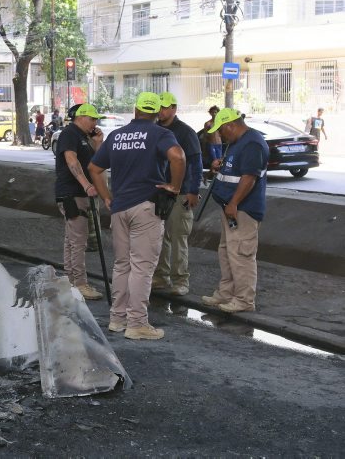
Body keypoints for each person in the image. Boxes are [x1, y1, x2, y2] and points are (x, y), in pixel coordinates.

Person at [88, 92, 185, 340]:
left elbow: (94, 168)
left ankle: (117, 319)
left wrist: (106, 196)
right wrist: (175, 187)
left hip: (119, 207)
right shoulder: (160, 134)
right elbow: (178, 156)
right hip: (146, 207)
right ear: (156, 113)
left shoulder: (117, 135)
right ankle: (137, 323)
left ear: (136, 110)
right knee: (142, 267)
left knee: (122, 265)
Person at [201, 108, 269, 313]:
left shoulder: (252, 143)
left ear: (231, 125)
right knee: (227, 251)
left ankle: (244, 300)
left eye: (221, 130)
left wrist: (234, 203)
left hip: (243, 209)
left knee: (241, 254)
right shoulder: (237, 142)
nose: (220, 135)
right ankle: (226, 293)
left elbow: (249, 177)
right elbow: (237, 169)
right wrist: (220, 165)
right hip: (230, 207)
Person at [152, 92, 203, 296]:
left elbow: (196, 164)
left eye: (165, 107)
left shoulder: (185, 132)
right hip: (158, 192)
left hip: (180, 193)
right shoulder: (154, 129)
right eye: (159, 107)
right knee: (159, 237)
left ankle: (181, 280)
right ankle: (161, 276)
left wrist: (193, 191)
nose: (161, 111)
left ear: (174, 108)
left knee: (178, 237)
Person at [54, 103, 106, 300]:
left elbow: (95, 163)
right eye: (92, 119)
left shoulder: (83, 137)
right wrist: (86, 185)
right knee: (78, 240)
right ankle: (80, 283)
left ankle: (70, 280)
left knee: (72, 239)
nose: (95, 123)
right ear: (81, 117)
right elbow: (71, 160)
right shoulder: (70, 134)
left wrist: (98, 143)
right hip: (72, 193)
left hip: (76, 194)